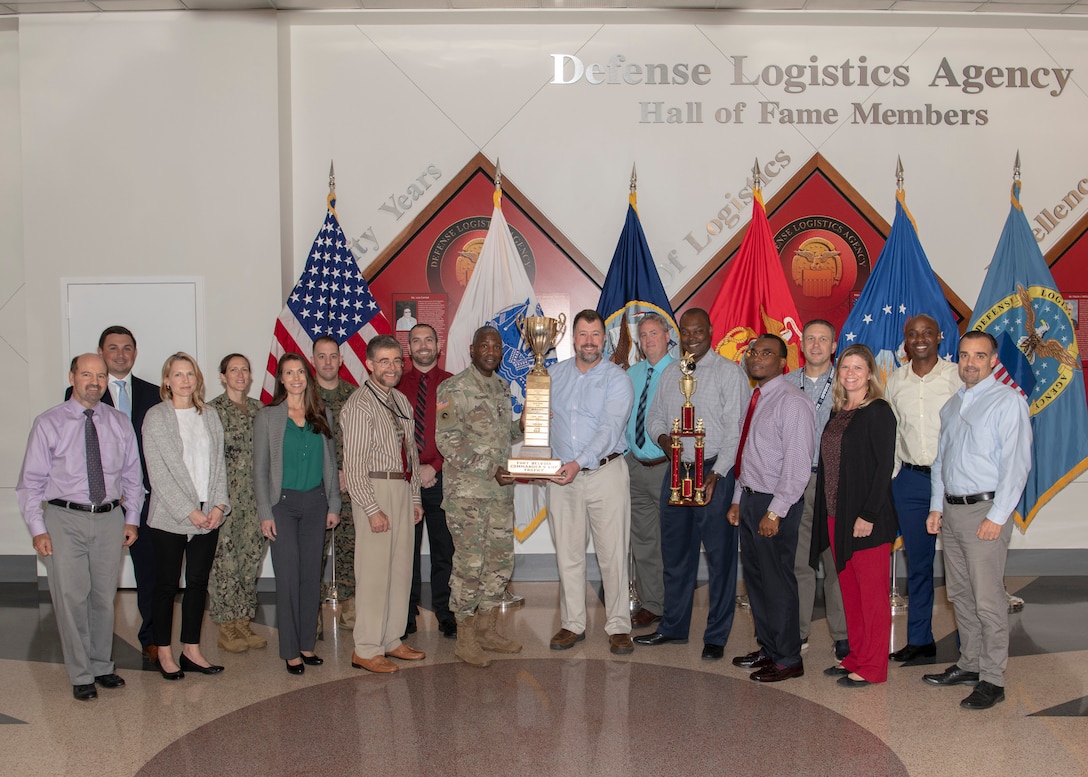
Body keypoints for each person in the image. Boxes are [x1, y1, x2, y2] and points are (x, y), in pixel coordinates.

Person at [17, 354, 143, 700]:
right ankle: (81, 673)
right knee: (72, 598)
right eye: (86, 374)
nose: (94, 381)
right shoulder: (49, 423)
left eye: (100, 376)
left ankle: (102, 665)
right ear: (72, 376)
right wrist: (37, 529)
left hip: (109, 519)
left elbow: (133, 477)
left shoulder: (119, 422)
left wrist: (131, 518)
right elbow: (30, 483)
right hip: (63, 519)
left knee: (104, 598)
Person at [924, 331, 1031, 710]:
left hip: (985, 512)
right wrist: (937, 507)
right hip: (952, 512)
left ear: (992, 360)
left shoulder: (1008, 402)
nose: (970, 363)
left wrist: (998, 517)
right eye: (965, 355)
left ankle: (993, 679)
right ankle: (969, 664)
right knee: (960, 596)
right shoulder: (952, 405)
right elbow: (941, 462)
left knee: (988, 601)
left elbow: (1016, 466)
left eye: (979, 356)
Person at [636, 308, 749, 660]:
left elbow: (737, 431)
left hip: (715, 471)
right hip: (678, 470)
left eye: (698, 331)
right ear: (679, 334)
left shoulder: (730, 373)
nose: (692, 337)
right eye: (686, 331)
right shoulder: (671, 372)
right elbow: (654, 415)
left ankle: (716, 635)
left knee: (720, 558)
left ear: (711, 331)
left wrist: (719, 473)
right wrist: (664, 439)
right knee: (675, 554)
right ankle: (673, 627)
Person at [65, 326, 162, 665]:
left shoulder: (155, 393)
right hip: (99, 504)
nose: (120, 354)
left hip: (143, 500)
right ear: (101, 352)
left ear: (135, 353)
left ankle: (151, 640)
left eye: (127, 348)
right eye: (112, 348)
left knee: (150, 575)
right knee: (95, 583)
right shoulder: (80, 392)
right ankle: (92, 650)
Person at [726, 334, 816, 682]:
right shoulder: (756, 398)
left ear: (782, 362)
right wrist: (737, 499)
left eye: (767, 353)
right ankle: (770, 647)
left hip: (776, 503)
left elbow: (797, 465)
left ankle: (789, 658)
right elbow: (748, 455)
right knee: (758, 581)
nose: (757, 357)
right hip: (751, 498)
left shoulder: (792, 402)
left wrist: (775, 511)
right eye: (753, 352)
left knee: (778, 582)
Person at [546, 309, 635, 655]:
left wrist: (578, 462)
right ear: (573, 338)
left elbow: (609, 430)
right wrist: (530, 419)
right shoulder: (552, 374)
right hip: (560, 477)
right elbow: (542, 424)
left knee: (612, 553)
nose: (589, 341)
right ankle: (573, 624)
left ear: (605, 338)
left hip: (605, 473)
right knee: (567, 554)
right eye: (582, 334)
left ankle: (618, 626)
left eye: (595, 334)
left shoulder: (617, 379)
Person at [435, 326, 523, 667]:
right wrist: (490, 469)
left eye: (496, 346)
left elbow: (502, 434)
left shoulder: (502, 387)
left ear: (501, 352)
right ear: (472, 349)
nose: (490, 350)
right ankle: (466, 638)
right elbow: (448, 440)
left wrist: (525, 424)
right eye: (484, 345)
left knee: (500, 564)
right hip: (467, 497)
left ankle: (487, 630)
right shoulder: (452, 389)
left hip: (499, 495)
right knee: (470, 566)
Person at [812, 344, 898, 686]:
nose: (850, 373)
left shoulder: (878, 411)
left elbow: (884, 468)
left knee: (872, 597)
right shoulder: (838, 411)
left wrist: (868, 514)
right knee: (850, 591)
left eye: (858, 368)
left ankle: (874, 667)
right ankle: (857, 657)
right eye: (845, 367)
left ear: (870, 374)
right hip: (837, 515)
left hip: (866, 520)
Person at [142, 353, 230, 680]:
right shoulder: (156, 417)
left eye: (189, 374)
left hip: (209, 514)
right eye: (177, 375)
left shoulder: (209, 415)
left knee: (197, 584)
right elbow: (159, 475)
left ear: (197, 379)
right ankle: (163, 652)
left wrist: (218, 506)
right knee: (166, 585)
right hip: (170, 516)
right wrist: (189, 511)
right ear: (167, 380)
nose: (184, 380)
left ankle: (191, 649)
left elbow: (219, 466)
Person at [341, 335, 425, 673]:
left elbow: (412, 455)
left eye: (396, 361)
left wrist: (415, 496)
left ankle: (392, 639)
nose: (392, 368)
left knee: (400, 569)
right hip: (374, 490)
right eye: (384, 362)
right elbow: (355, 464)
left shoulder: (402, 401)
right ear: (369, 364)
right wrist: (372, 509)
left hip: (402, 489)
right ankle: (365, 647)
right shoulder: (359, 404)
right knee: (374, 572)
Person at [254, 353, 341, 675]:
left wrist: (334, 504)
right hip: (283, 506)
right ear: (280, 378)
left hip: (316, 504)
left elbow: (331, 464)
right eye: (288, 372)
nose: (295, 377)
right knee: (288, 578)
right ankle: (290, 650)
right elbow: (260, 470)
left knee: (310, 578)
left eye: (300, 371)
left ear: (308, 376)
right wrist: (266, 512)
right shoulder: (268, 417)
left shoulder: (324, 414)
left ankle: (306, 644)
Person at [885, 314, 961, 663]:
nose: (919, 339)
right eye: (913, 334)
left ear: (939, 337)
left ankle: (970, 647)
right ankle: (919, 640)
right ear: (905, 339)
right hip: (912, 481)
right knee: (918, 564)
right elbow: (893, 433)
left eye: (927, 333)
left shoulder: (957, 376)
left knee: (963, 566)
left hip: (956, 479)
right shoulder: (895, 381)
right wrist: (893, 479)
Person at [792, 320, 850, 660]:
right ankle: (797, 632)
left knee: (835, 564)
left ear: (833, 346)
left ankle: (842, 635)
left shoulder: (847, 383)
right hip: (796, 482)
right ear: (802, 345)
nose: (816, 345)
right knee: (799, 563)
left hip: (835, 484)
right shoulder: (786, 383)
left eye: (823, 339)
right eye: (810, 339)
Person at [398, 323, 457, 638]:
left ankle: (446, 614)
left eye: (428, 340)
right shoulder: (396, 386)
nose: (423, 345)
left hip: (441, 479)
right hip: (406, 483)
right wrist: (414, 472)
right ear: (409, 349)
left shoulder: (452, 385)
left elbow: (457, 435)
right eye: (416, 341)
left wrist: (434, 466)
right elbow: (392, 436)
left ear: (438, 345)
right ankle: (405, 616)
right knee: (405, 552)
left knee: (443, 552)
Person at [207, 354, 267, 653]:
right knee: (224, 564)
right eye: (234, 370)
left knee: (251, 561)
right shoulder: (211, 411)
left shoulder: (260, 410)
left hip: (256, 501)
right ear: (222, 376)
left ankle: (243, 620)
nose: (240, 374)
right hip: (225, 502)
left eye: (245, 369)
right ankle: (225, 624)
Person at [625, 313, 675, 630]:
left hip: (667, 467)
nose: (648, 340)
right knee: (643, 540)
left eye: (654, 333)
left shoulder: (681, 372)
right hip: (635, 465)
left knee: (671, 541)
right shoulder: (632, 373)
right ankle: (652, 604)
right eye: (643, 335)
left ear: (668, 336)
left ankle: (675, 603)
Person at [312, 336, 357, 635]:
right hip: (314, 487)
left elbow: (363, 440)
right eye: (321, 356)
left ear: (341, 360)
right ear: (313, 360)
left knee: (350, 547)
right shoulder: (304, 396)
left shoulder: (355, 396)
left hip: (349, 486)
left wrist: (348, 471)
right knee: (315, 552)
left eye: (333, 356)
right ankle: (311, 612)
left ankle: (350, 605)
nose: (328, 362)